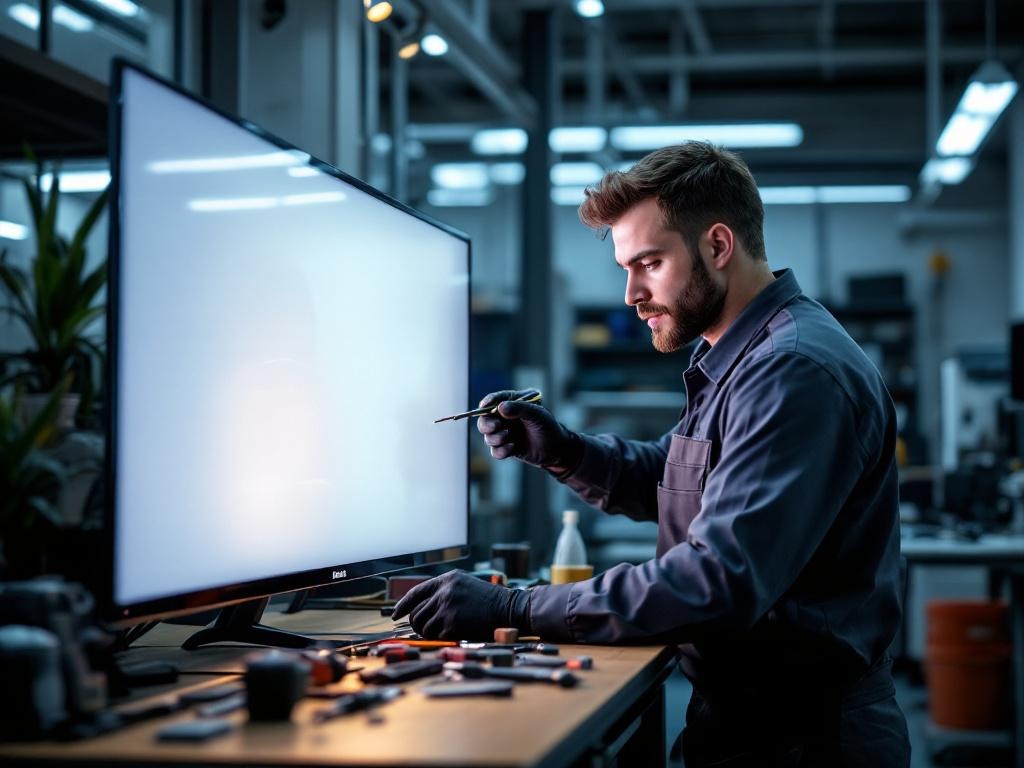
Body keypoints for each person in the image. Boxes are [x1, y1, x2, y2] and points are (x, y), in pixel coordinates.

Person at [394, 142, 911, 766]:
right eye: (625, 268)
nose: (632, 293)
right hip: (749, 720)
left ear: (718, 246)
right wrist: (562, 450)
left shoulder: (791, 370)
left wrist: (515, 606)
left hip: (806, 739)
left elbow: (717, 579)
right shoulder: (736, 356)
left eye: (650, 263)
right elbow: (674, 479)